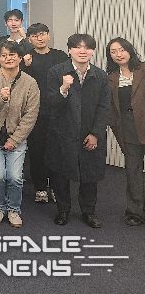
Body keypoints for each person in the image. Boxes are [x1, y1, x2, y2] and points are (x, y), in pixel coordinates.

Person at [47, 34, 110, 228]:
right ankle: (63, 210)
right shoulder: (56, 72)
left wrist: (96, 133)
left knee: (90, 175)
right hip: (62, 132)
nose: (82, 51)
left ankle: (88, 212)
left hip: (89, 132)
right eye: (77, 47)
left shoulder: (101, 75)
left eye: (87, 47)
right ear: (69, 50)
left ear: (93, 51)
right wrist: (64, 88)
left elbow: (104, 107)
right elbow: (51, 104)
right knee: (61, 174)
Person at [0, 41, 39, 228]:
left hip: (17, 137)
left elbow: (31, 115)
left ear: (20, 58)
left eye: (12, 55)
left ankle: (13, 209)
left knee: (14, 177)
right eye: (4, 55)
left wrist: (15, 140)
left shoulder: (30, 83)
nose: (8, 58)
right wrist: (1, 98)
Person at [22, 23, 68, 204]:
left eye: (42, 34)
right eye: (35, 36)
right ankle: (40, 187)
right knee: (37, 151)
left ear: (48, 35)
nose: (39, 38)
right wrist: (26, 66)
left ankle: (56, 187)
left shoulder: (60, 56)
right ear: (29, 39)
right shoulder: (26, 58)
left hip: (58, 110)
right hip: (35, 112)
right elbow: (20, 82)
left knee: (57, 151)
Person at [106, 37, 145, 226]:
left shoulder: (143, 69)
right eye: (113, 52)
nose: (118, 54)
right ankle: (135, 212)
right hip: (128, 130)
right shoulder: (111, 78)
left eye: (121, 50)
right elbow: (110, 109)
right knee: (133, 172)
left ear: (129, 50)